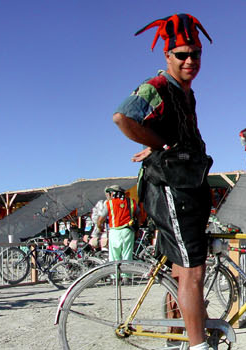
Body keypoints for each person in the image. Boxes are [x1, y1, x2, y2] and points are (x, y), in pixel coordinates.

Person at [111, 13, 216, 350]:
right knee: (192, 271)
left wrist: (156, 141)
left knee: (182, 270)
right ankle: (198, 346)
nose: (190, 61)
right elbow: (123, 116)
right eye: (181, 55)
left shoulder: (187, 93)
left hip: (188, 184)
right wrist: (158, 144)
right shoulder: (158, 86)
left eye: (195, 54)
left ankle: (179, 337)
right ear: (167, 56)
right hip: (171, 188)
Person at [102, 185, 136, 262]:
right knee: (127, 256)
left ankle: (115, 273)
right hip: (128, 231)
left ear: (113, 193)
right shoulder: (131, 201)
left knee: (114, 257)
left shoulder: (110, 203)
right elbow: (139, 213)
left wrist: (99, 226)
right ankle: (126, 273)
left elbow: (101, 218)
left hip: (115, 232)